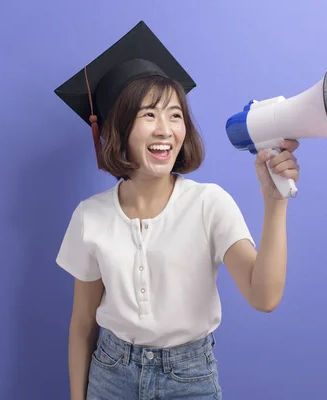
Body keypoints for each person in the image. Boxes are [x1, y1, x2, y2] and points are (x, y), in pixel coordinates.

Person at [54, 21, 299, 400]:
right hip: (110, 375)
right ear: (118, 128)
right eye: (148, 115)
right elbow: (82, 323)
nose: (166, 129)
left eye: (175, 114)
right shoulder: (90, 216)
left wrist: (275, 203)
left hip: (190, 380)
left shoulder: (209, 204)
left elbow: (263, 297)